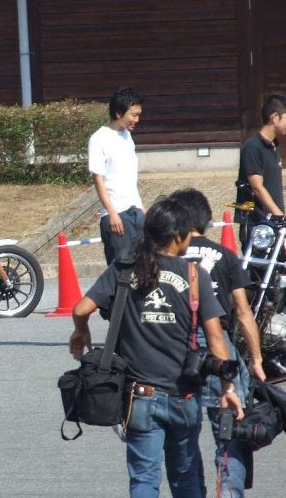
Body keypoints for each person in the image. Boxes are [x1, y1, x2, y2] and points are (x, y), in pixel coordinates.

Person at [70, 197, 243, 498]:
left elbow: (81, 308)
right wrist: (228, 388)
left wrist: (81, 331)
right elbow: (216, 338)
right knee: (186, 479)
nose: (190, 239)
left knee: (144, 480)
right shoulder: (194, 275)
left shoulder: (126, 268)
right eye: (188, 233)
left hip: (140, 396)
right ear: (177, 236)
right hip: (183, 395)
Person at [170, 188, 265, 497]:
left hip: (177, 348)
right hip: (219, 347)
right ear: (206, 220)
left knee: (182, 436)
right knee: (228, 431)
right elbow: (243, 312)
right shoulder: (225, 256)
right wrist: (256, 359)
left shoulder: (169, 257)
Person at [88, 86, 146, 265]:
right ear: (119, 113)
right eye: (133, 115)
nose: (137, 119)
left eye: (138, 115)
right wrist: (112, 213)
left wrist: (141, 207)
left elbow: (127, 177)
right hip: (117, 214)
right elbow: (98, 179)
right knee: (121, 273)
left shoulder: (127, 136)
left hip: (135, 211)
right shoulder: (99, 139)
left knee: (144, 268)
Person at [235, 93, 286, 250]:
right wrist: (280, 215)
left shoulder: (273, 148)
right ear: (274, 117)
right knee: (259, 264)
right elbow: (257, 187)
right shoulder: (252, 147)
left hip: (274, 222)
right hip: (258, 223)